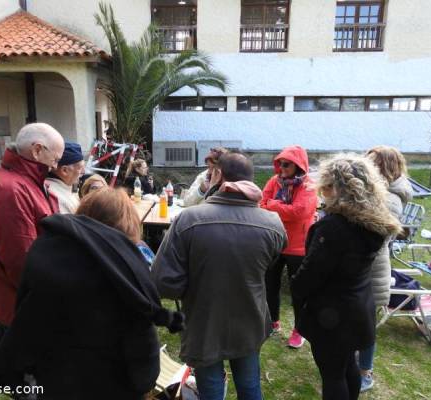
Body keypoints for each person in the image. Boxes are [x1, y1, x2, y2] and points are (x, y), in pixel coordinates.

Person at [0, 188, 184, 399]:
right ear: (129, 229)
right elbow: (144, 372)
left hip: (51, 386)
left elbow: (24, 332)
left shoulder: (45, 259)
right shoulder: (129, 278)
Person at [152, 152, 287, 400]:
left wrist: (194, 282)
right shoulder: (273, 223)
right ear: (251, 179)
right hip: (249, 318)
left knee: (211, 388)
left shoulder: (188, 219)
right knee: (249, 385)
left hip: (204, 320)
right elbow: (267, 265)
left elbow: (163, 282)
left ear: (217, 175)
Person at [291, 154, 401, 400]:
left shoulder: (334, 228)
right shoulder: (372, 222)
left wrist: (295, 284)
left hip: (332, 316)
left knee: (332, 375)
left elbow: (310, 276)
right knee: (347, 366)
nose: (322, 192)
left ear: (336, 189)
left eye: (326, 187)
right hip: (359, 308)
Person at [0, 123, 64, 326]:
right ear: (37, 150)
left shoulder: (30, 181)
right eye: (55, 159)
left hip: (35, 299)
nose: (55, 167)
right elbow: (21, 261)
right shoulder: (12, 191)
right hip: (23, 308)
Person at [358, 146, 413, 391]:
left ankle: (365, 372)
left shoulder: (391, 199)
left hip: (373, 269)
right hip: (361, 266)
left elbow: (374, 234)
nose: (365, 167)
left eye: (371, 163)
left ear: (384, 167)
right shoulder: (375, 193)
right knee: (355, 320)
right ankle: (352, 363)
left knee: (367, 324)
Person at [260, 145, 318, 348]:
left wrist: (274, 206)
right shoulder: (274, 181)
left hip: (298, 246)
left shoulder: (309, 186)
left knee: (298, 291)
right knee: (270, 284)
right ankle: (272, 321)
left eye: (286, 164)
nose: (281, 168)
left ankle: (299, 330)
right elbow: (261, 203)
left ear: (299, 166)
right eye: (279, 164)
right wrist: (280, 207)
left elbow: (299, 212)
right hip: (275, 241)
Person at [45, 141, 85, 214]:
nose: (83, 172)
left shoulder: (67, 185)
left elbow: (74, 192)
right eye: (80, 168)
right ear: (64, 170)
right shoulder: (57, 198)